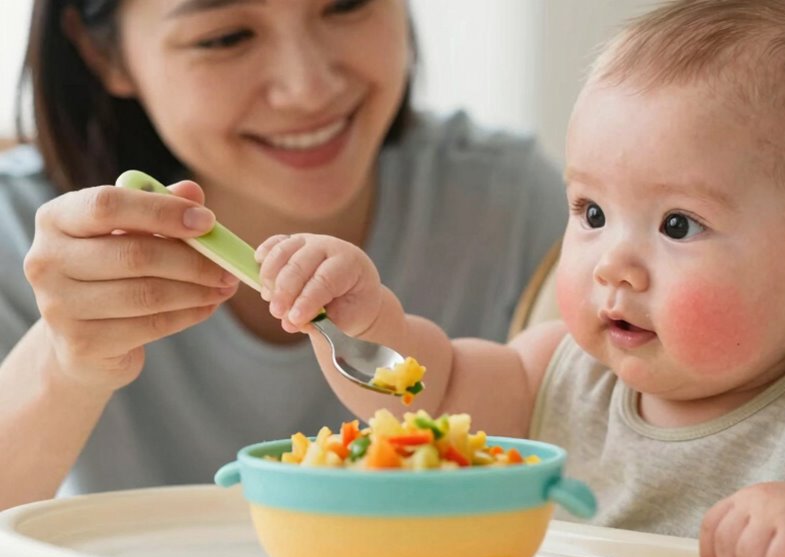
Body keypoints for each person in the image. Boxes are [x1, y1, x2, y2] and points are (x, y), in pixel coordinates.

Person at [257, 0, 785, 557]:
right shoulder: (558, 370)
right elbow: (430, 388)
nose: (610, 263)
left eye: (679, 225)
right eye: (591, 211)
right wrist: (363, 321)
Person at [0, 0, 566, 509]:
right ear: (104, 53)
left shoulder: (513, 204)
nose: (308, 88)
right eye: (225, 37)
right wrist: (64, 361)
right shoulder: (15, 227)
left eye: (346, 5)